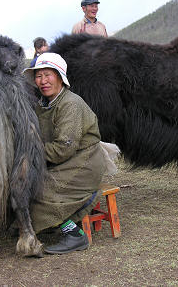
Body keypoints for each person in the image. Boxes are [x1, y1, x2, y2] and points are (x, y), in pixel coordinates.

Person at [23, 52, 107, 255]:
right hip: (62, 161)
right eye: (38, 76)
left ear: (60, 77)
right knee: (24, 187)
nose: (42, 81)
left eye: (48, 75)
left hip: (84, 163)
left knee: (40, 193)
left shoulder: (71, 104)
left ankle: (74, 234)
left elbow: (63, 148)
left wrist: (29, 154)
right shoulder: (43, 104)